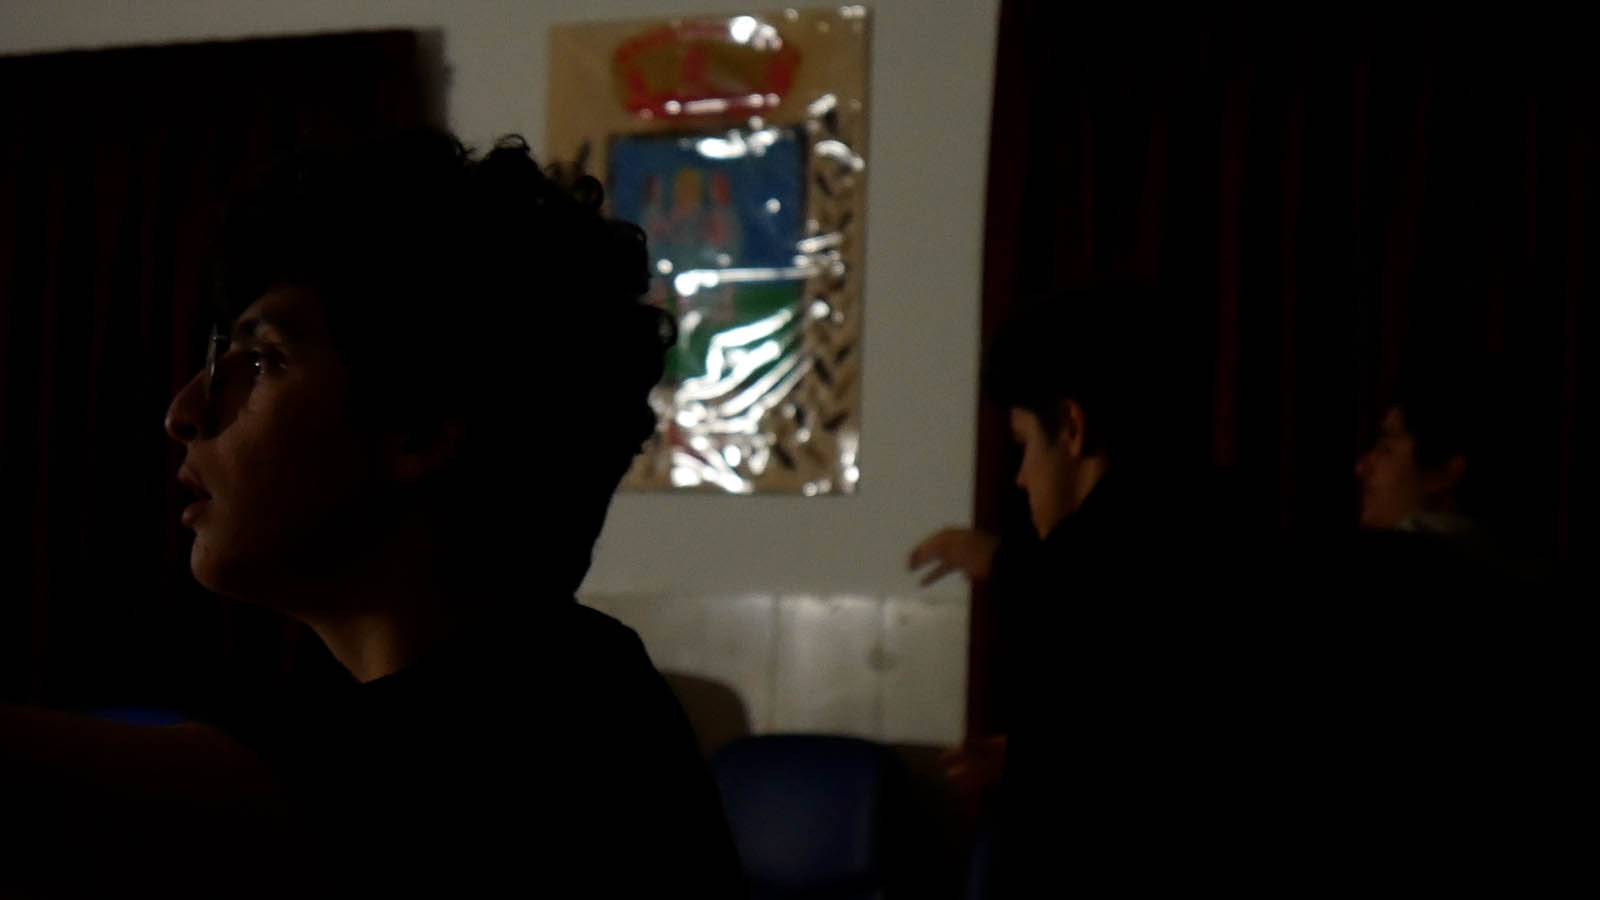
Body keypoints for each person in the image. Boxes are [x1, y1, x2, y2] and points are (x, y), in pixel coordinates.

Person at [3, 130, 743, 897]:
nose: (184, 412)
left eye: (264, 360)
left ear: (417, 434)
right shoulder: (551, 682)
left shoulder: (537, 738)